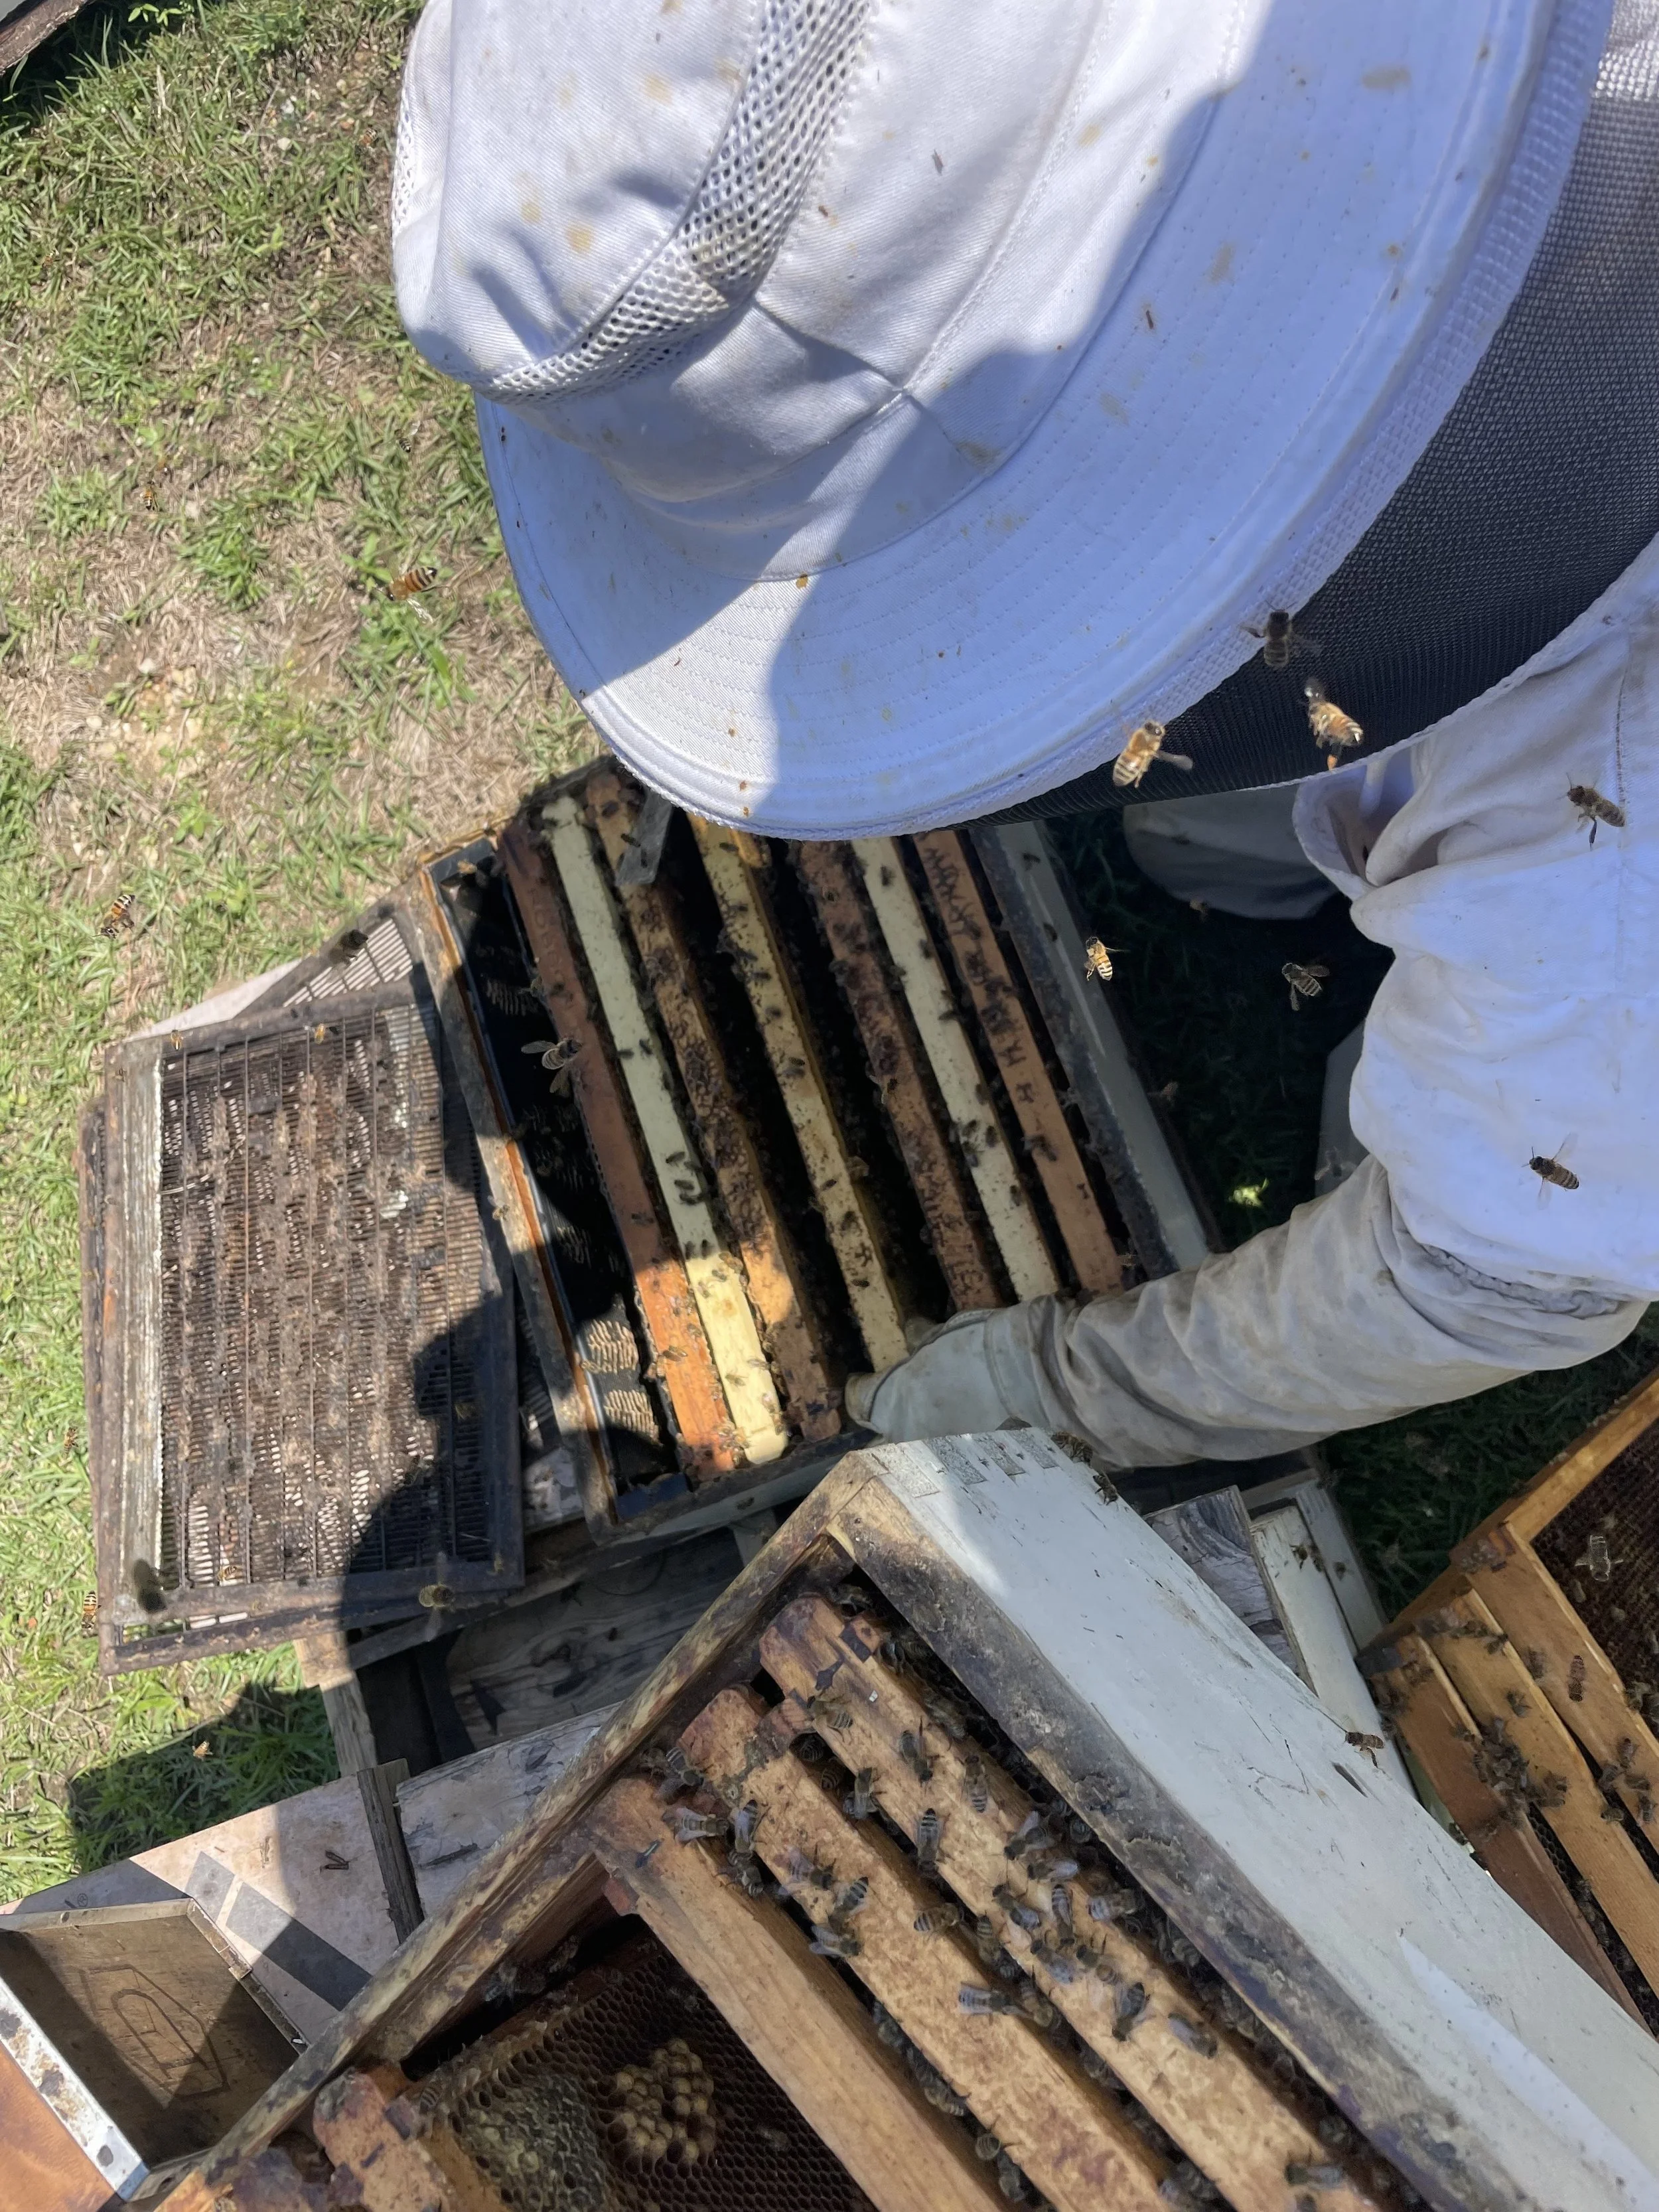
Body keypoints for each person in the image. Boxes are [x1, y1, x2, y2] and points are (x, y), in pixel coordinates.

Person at [391, 0, 1659, 1470]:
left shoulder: (1606, 884)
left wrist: (1059, 1389)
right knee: (1194, 822)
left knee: (1499, 1102)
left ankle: (1393, 1050)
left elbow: (1483, 1280)